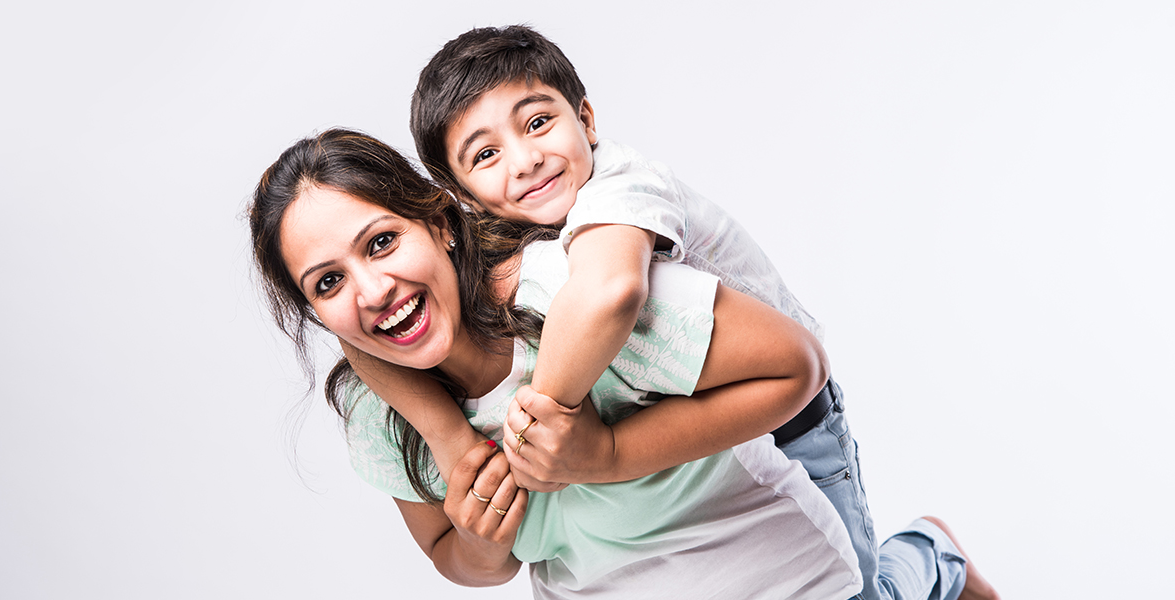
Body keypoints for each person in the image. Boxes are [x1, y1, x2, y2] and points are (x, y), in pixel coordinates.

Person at [389, 24, 998, 600]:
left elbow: (610, 292)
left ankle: (932, 552)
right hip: (692, 414)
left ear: (587, 120)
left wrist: (542, 429)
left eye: (540, 122)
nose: (524, 160)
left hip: (787, 413)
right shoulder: (494, 240)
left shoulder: (620, 186)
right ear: (463, 197)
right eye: (486, 156)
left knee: (854, 590)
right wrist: (446, 435)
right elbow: (361, 342)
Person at [250, 128, 863, 598]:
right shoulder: (376, 411)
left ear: (440, 223)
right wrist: (478, 541)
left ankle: (927, 559)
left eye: (382, 242)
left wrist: (605, 455)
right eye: (329, 282)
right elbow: (455, 557)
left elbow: (795, 367)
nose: (372, 290)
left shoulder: (571, 297)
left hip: (775, 580)